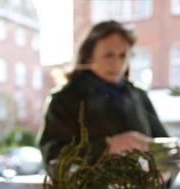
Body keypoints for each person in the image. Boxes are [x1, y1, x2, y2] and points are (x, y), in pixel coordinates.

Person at [38, 20, 170, 166]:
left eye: (123, 55)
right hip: (89, 188)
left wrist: (165, 170)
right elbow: (52, 155)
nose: (117, 63)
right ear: (89, 56)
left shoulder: (138, 96)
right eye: (109, 55)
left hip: (142, 188)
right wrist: (106, 147)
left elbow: (166, 150)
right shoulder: (64, 99)